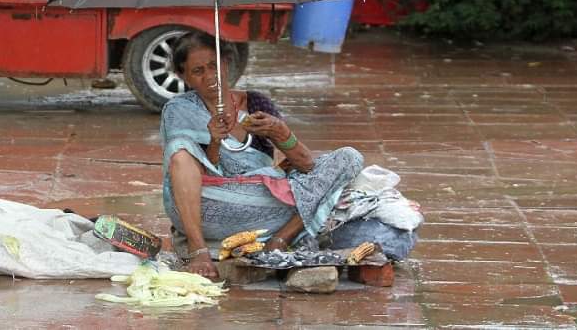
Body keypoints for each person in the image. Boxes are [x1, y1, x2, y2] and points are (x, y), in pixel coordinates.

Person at [160, 30, 417, 278]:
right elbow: (196, 173)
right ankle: (199, 249)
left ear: (226, 63)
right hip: (212, 204)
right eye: (198, 71)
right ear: (184, 76)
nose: (210, 76)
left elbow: (306, 165)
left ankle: (282, 238)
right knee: (180, 153)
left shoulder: (256, 103)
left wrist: (281, 133)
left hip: (265, 200)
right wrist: (215, 142)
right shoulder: (178, 110)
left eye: (214, 66)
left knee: (348, 158)